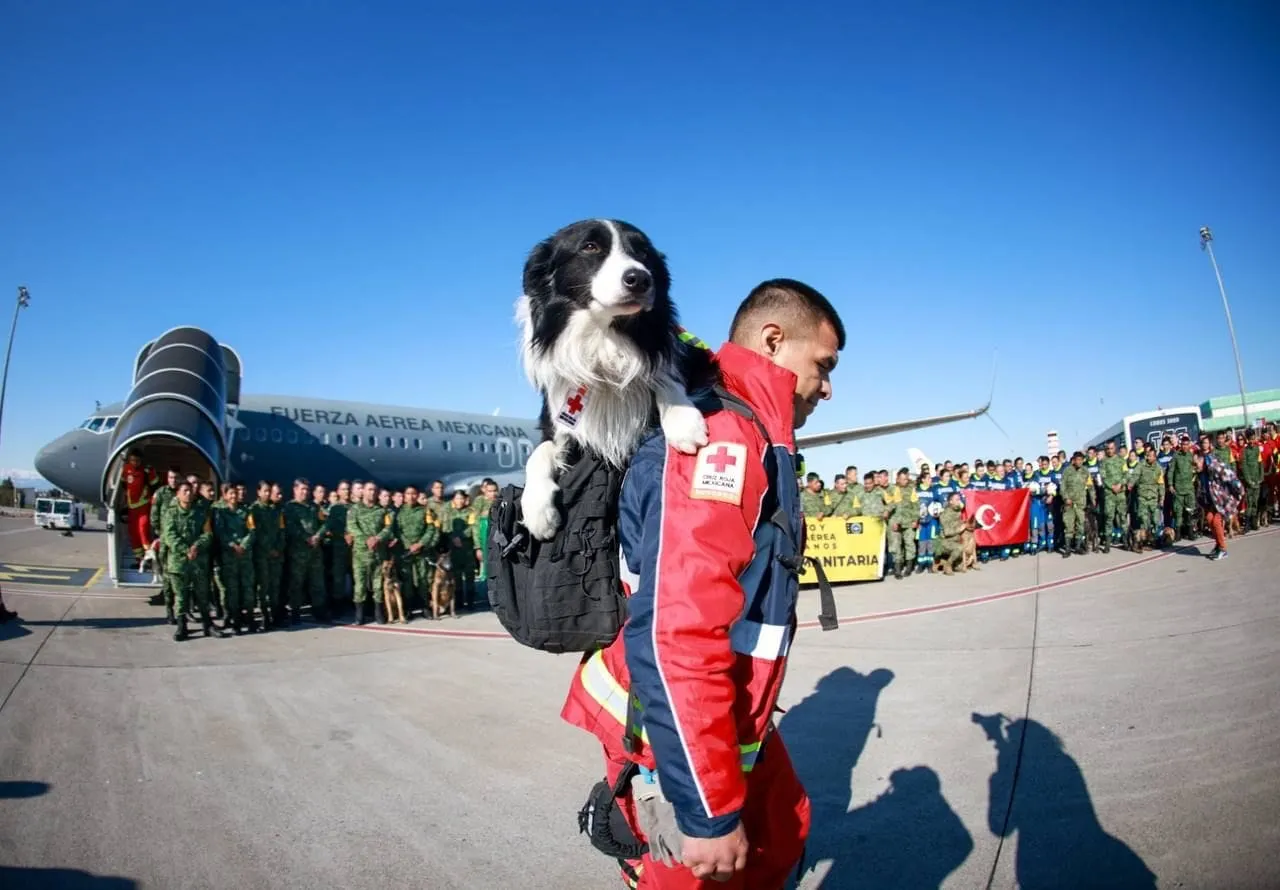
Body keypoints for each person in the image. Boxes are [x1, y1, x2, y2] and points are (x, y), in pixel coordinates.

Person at [560, 278, 844, 888]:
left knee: (785, 830)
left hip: (724, 723)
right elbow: (677, 638)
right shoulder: (722, 442)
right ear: (774, 340)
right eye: (823, 366)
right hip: (674, 741)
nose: (829, 386)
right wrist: (707, 811)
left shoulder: (754, 432)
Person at [1195, 449, 1241, 561]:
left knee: (1216, 521)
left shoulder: (1214, 468)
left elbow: (1229, 475)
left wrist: (1239, 489)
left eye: (1195, 463)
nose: (1194, 466)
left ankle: (1223, 549)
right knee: (1209, 518)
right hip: (1214, 502)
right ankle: (1218, 545)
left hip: (1225, 500)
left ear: (1202, 461)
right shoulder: (1200, 474)